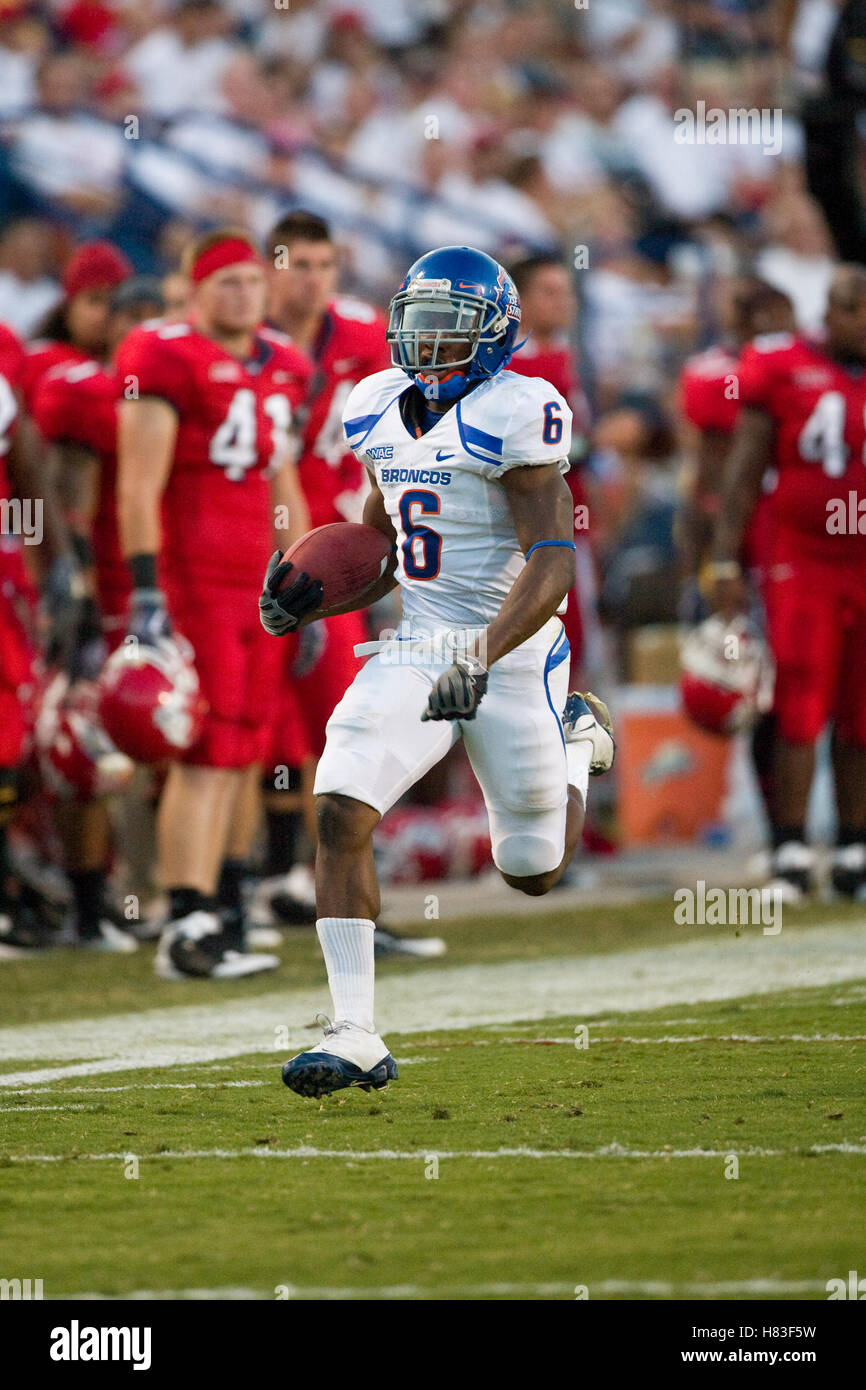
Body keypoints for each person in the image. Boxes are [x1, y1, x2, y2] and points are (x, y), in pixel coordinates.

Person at [260, 245, 615, 1097]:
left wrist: (486, 657)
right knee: (341, 802)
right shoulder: (378, 406)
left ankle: (575, 740)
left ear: (493, 336)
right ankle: (353, 1032)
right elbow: (383, 552)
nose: (428, 349)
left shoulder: (519, 410)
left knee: (532, 868)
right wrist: (310, 598)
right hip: (420, 643)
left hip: (515, 643)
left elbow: (553, 561)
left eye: (449, 334)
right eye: (417, 330)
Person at [116, 229, 312, 979]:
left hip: (255, 583)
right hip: (194, 578)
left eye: (250, 282)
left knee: (244, 750)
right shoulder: (164, 354)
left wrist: (302, 575)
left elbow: (280, 479)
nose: (240, 295)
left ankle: (226, 907)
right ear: (195, 289)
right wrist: (144, 586)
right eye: (223, 282)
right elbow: (139, 483)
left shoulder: (282, 367)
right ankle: (184, 920)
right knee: (203, 755)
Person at [711, 264, 866, 901]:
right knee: (800, 698)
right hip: (802, 559)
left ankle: (855, 846)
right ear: (828, 313)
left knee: (861, 709)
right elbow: (744, 472)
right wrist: (723, 559)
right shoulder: (780, 368)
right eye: (849, 308)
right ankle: (791, 847)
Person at [258, 210, 390, 926]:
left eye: (324, 264)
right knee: (264, 722)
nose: (312, 279)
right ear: (272, 268)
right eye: (298, 263)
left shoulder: (363, 335)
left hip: (337, 547)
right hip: (261, 541)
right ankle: (271, 877)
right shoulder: (252, 343)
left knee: (338, 711)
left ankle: (325, 885)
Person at [32, 278, 166, 951]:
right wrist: (78, 587)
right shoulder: (87, 390)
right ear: (109, 326)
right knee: (93, 754)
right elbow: (65, 498)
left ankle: (145, 898)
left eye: (154, 318)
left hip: (163, 590)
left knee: (161, 750)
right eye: (132, 318)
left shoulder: (175, 389)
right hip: (109, 595)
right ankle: (88, 908)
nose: (144, 330)